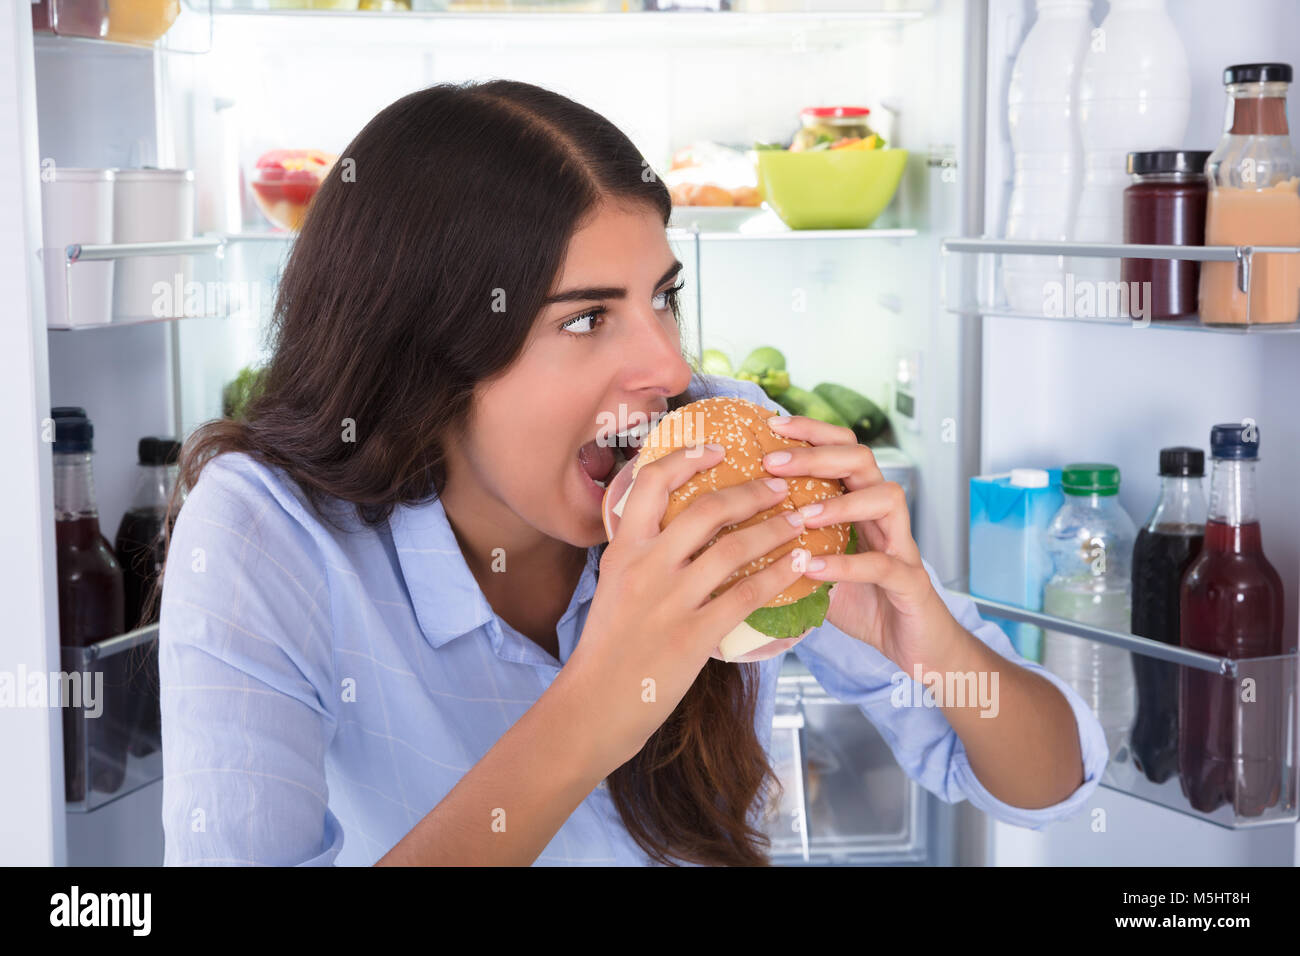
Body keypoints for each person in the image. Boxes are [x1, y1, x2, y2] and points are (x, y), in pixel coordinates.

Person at [159, 79, 1106, 867]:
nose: (664, 367)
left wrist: (925, 641)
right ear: (427, 354)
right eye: (584, 318)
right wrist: (603, 701)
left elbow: (1049, 783)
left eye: (664, 298)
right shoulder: (263, 531)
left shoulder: (730, 444)